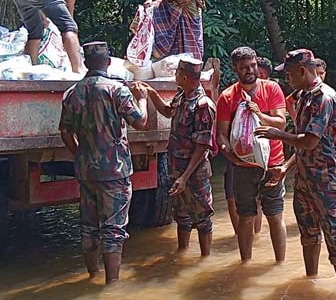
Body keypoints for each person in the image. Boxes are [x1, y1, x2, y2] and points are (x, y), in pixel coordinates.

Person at [254, 49, 336, 294]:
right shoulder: (303, 97)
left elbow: (309, 141)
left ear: (301, 71)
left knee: (335, 236)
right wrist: (285, 169)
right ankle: (311, 285)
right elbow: (303, 148)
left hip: (325, 179)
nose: (286, 79)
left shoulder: (324, 97)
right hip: (305, 178)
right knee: (308, 233)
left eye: (288, 74)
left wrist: (278, 134)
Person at [58, 41, 148, 284]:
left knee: (88, 225)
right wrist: (142, 99)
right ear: (108, 62)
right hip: (114, 171)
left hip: (87, 170)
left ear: (85, 63)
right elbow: (140, 123)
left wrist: (80, 155)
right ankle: (112, 286)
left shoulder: (72, 93)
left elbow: (65, 132)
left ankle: (92, 276)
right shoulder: (117, 90)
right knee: (113, 229)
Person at [137, 59, 216, 255]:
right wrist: (150, 93)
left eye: (177, 72)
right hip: (176, 167)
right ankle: (182, 253)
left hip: (194, 172)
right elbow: (167, 111)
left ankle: (205, 259)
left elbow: (202, 145)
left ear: (185, 77)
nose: (174, 75)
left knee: (202, 217)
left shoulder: (202, 105)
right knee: (181, 214)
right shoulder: (182, 96)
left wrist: (185, 177)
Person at [216, 47, 287, 263]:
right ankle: (245, 263)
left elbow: (281, 122)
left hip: (273, 163)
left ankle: (280, 265)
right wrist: (232, 157)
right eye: (244, 67)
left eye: (253, 65)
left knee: (275, 215)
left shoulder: (272, 89)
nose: (250, 70)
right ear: (234, 69)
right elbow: (222, 136)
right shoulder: (227, 97)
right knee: (246, 216)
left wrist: (257, 113)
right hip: (243, 167)